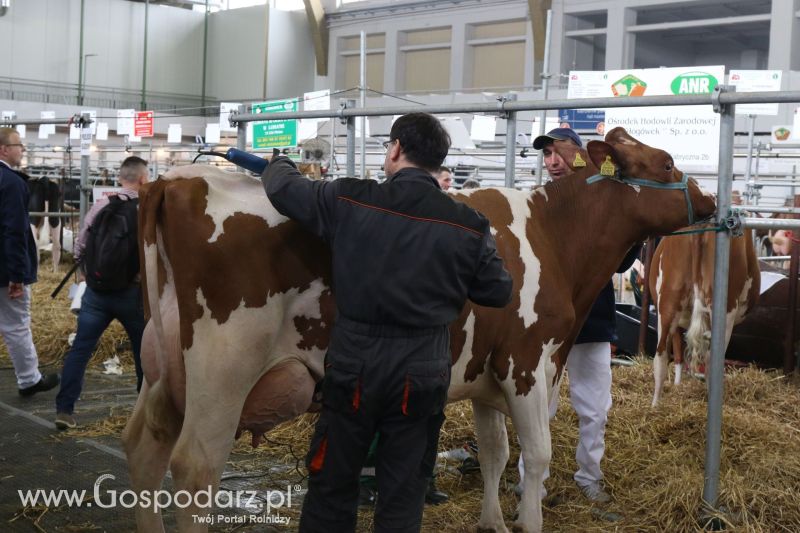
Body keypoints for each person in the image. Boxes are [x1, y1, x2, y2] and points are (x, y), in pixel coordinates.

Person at [262, 112, 513, 533]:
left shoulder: (350, 200)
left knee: (332, 484)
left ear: (396, 148)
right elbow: (498, 291)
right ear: (439, 162)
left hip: (355, 364)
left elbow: (285, 190)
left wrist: (277, 164)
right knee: (403, 492)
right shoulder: (467, 225)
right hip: (423, 369)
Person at [522, 127, 640, 504]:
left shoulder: (603, 201)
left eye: (559, 154)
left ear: (579, 157)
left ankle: (589, 476)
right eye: (547, 156)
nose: (553, 162)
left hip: (592, 317)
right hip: (546, 320)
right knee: (540, 405)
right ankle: (531, 482)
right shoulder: (538, 203)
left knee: (594, 407)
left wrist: (633, 228)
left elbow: (622, 260)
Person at [54, 156, 149, 430]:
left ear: (120, 178)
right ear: (143, 179)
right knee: (144, 352)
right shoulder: (145, 210)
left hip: (96, 292)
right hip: (132, 293)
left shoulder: (102, 204)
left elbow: (80, 245)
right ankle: (143, 415)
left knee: (80, 349)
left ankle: (64, 409)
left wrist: (87, 274)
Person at [0, 127, 60, 397]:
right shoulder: (11, 183)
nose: (22, 150)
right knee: (16, 325)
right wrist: (17, 276)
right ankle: (28, 380)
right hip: (4, 269)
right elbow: (13, 231)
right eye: (18, 145)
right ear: (4, 149)